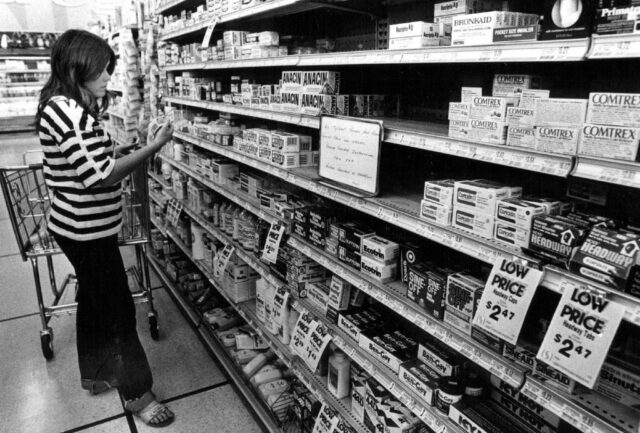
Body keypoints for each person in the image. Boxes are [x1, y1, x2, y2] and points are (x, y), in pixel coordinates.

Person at [35, 29, 175, 428]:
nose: (108, 77)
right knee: (117, 310)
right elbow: (100, 177)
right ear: (77, 65)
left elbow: (86, 157)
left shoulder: (64, 105)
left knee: (95, 302)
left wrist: (120, 148)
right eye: (102, 69)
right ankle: (138, 395)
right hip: (86, 231)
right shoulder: (67, 110)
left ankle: (96, 373)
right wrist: (153, 148)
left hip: (81, 227)